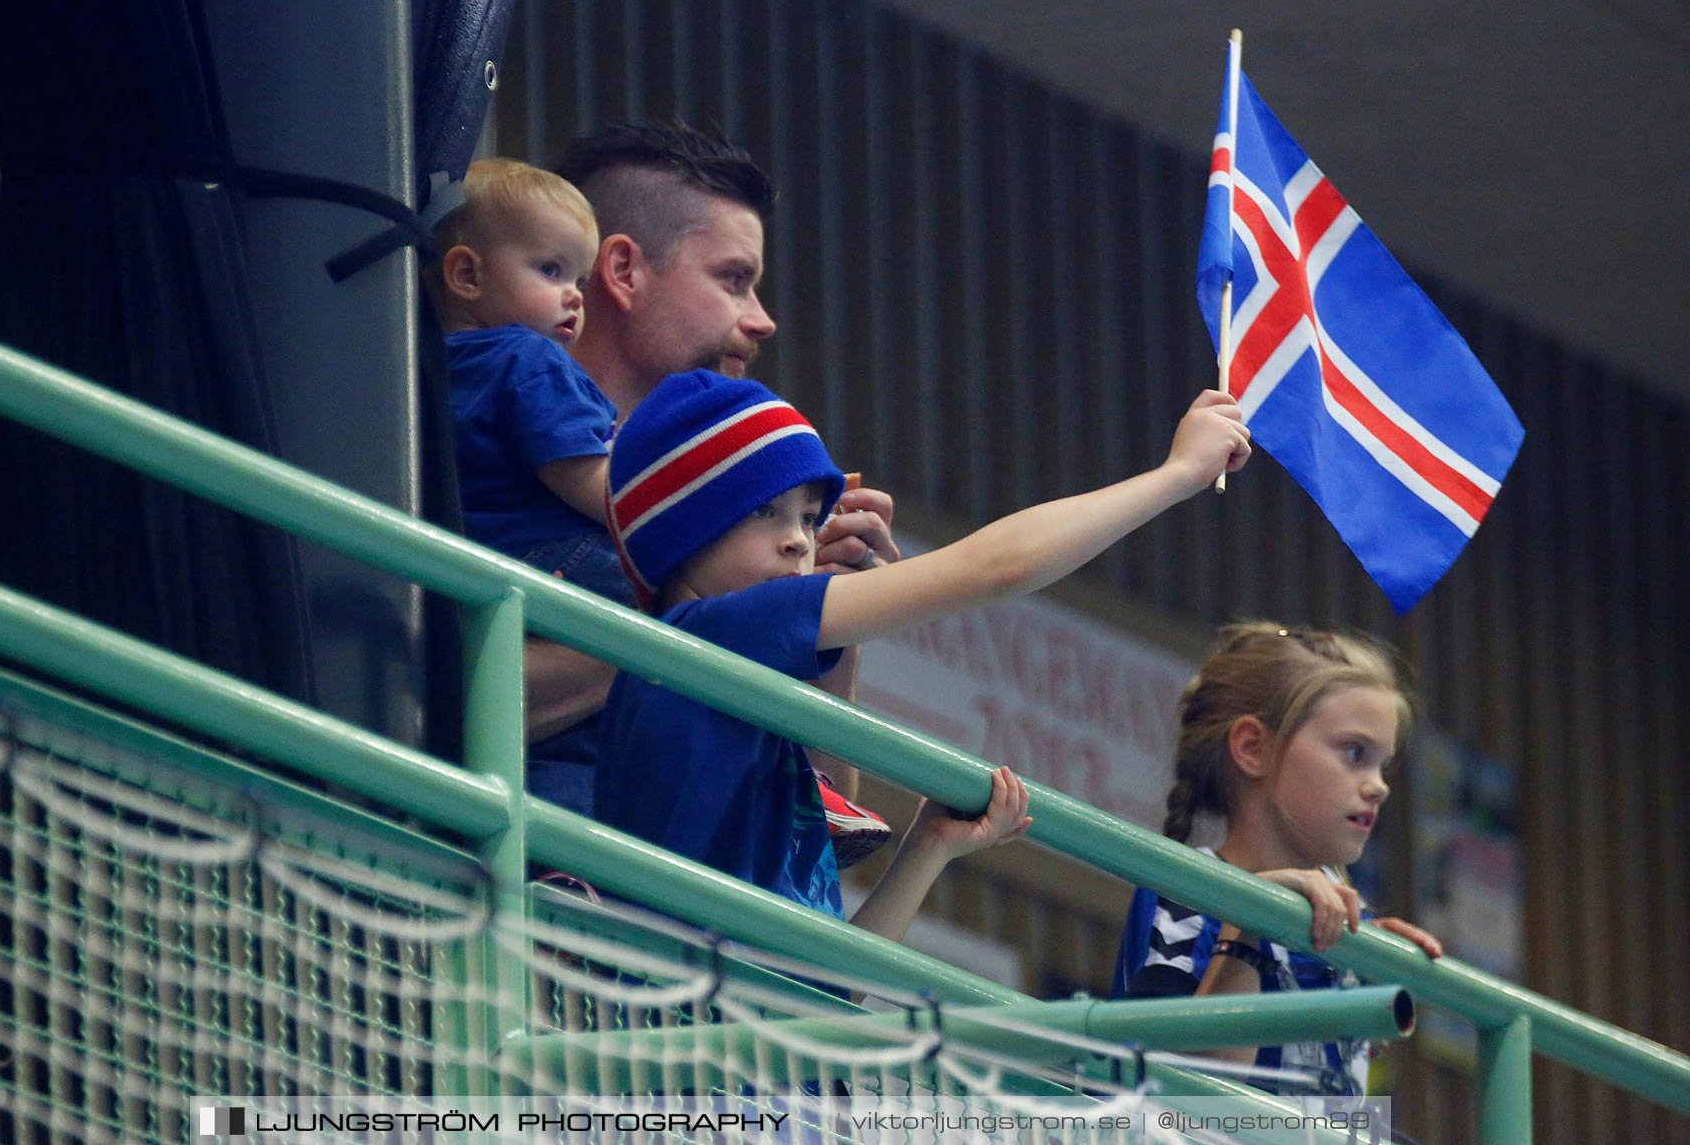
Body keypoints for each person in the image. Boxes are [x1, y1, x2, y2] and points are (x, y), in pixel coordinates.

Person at [594, 370, 1252, 939]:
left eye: (807, 517)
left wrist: (928, 848)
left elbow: (837, 988)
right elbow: (1000, 566)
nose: (799, 542)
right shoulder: (713, 631)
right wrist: (1179, 474)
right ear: (680, 526)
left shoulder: (739, 702)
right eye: (766, 511)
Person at [515, 120, 895, 859]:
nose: (763, 319)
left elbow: (816, 830)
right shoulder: (455, 442)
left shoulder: (758, 514)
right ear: (623, 271)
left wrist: (828, 625)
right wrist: (727, 624)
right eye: (733, 280)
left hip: (680, 941)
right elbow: (421, 706)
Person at [1110, 623, 1445, 1095]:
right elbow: (1190, 1105)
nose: (1380, 785)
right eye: (1354, 753)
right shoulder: (1187, 891)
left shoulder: (1356, 935)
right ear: (1253, 749)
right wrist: (1253, 926)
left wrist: (1370, 965)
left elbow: (1345, 1109)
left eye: (1382, 764)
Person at [427, 158, 632, 608]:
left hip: (475, 568)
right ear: (467, 275)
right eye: (551, 270)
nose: (576, 296)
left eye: (580, 279)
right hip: (555, 559)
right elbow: (587, 480)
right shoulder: (528, 358)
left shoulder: (428, 365)